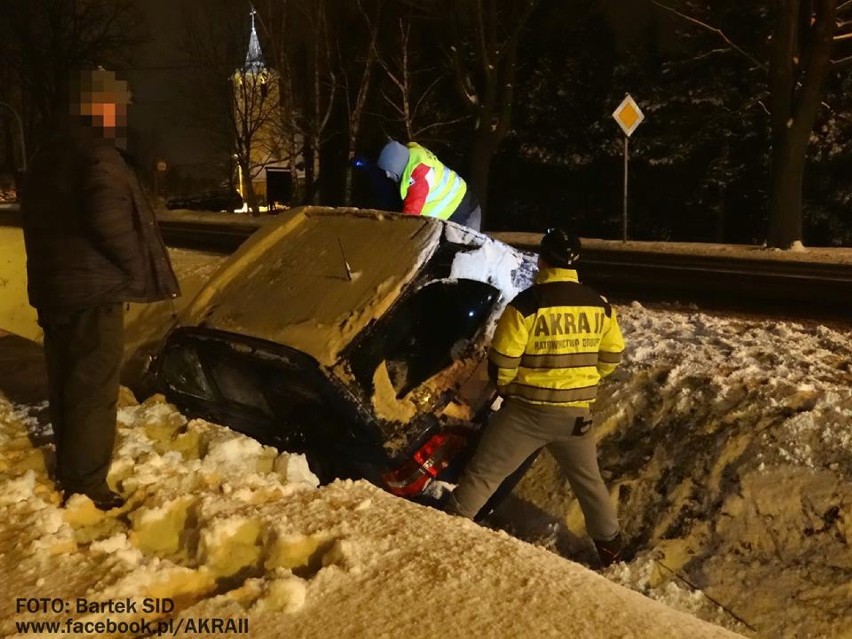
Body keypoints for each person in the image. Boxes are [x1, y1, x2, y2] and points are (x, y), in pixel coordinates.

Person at [21, 69, 180, 510]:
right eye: (113, 106)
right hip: (94, 292)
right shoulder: (97, 156)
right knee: (93, 389)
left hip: (54, 288)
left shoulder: (47, 155)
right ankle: (86, 485)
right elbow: (107, 217)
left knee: (67, 380)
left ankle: (73, 468)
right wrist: (132, 268)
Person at [443, 228, 626, 567]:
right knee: (590, 485)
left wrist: (510, 390)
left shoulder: (526, 304)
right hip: (575, 417)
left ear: (542, 259)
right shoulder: (599, 305)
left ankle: (443, 531)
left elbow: (503, 361)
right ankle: (612, 552)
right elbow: (612, 355)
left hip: (526, 413)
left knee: (484, 476)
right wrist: (584, 381)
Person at [376, 139, 482, 231]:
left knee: (465, 253)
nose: (387, 175)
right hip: (459, 209)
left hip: (464, 214)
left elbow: (410, 217)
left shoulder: (419, 177)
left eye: (389, 171)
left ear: (397, 164)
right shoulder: (414, 159)